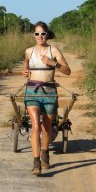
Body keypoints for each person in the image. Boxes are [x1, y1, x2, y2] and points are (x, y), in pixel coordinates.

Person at [23, 21, 71, 175]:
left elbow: (68, 71)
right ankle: (36, 163)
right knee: (36, 126)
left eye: (43, 33)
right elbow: (25, 66)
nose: (40, 36)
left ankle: (45, 153)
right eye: (37, 33)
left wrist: (52, 63)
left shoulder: (53, 50)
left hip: (49, 91)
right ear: (34, 35)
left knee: (46, 128)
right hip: (32, 90)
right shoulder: (28, 51)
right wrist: (25, 71)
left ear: (47, 35)